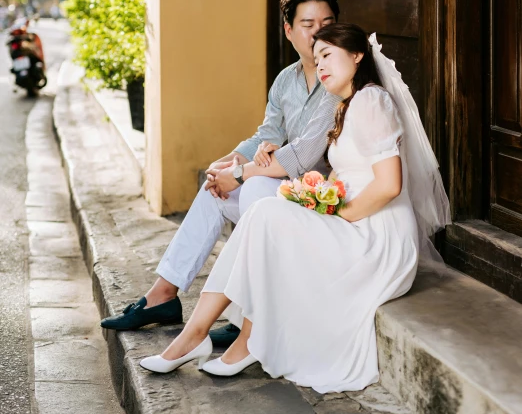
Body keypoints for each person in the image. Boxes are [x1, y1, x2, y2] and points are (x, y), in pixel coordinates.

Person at [139, 24, 451, 393]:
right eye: (316, 58)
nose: (320, 66)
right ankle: (207, 336)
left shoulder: (371, 100)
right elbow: (345, 175)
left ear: (357, 56)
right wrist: (310, 197)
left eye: (329, 55)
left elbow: (389, 185)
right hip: (354, 222)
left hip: (377, 235)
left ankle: (211, 338)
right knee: (265, 213)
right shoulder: (346, 106)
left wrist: (339, 214)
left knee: (267, 214)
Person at [101, 0, 341, 345]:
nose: (317, 35)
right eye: (308, 26)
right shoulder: (285, 80)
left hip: (322, 198)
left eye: (326, 26)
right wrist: (228, 161)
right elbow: (268, 135)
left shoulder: (335, 80)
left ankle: (247, 310)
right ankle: (163, 294)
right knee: (215, 189)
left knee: (254, 188)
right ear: (289, 30)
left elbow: (303, 154)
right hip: (286, 188)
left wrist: (240, 174)